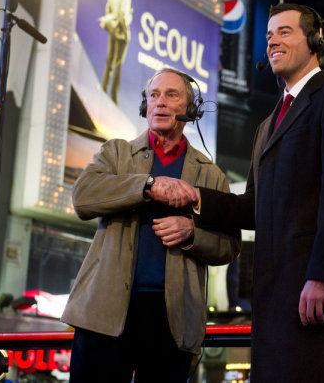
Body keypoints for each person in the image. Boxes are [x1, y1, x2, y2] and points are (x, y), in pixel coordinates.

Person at [159, 4, 324, 382]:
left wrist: (323, 276)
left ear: (314, 41)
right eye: (268, 35)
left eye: (284, 32)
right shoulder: (267, 125)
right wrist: (195, 197)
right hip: (274, 299)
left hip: (317, 295)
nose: (273, 42)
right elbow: (254, 207)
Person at [61, 68, 241, 382]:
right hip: (104, 312)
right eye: (154, 95)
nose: (160, 102)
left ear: (190, 108)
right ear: (145, 105)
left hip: (173, 321)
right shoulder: (116, 153)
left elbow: (229, 245)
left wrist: (191, 234)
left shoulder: (210, 174)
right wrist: (148, 186)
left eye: (171, 95)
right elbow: (83, 198)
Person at [99, 0, 133, 104]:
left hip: (112, 28)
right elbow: (123, 16)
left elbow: (108, 9)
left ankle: (103, 88)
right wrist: (125, 33)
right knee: (118, 64)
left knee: (109, 61)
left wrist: (112, 24)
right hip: (120, 32)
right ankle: (114, 96)